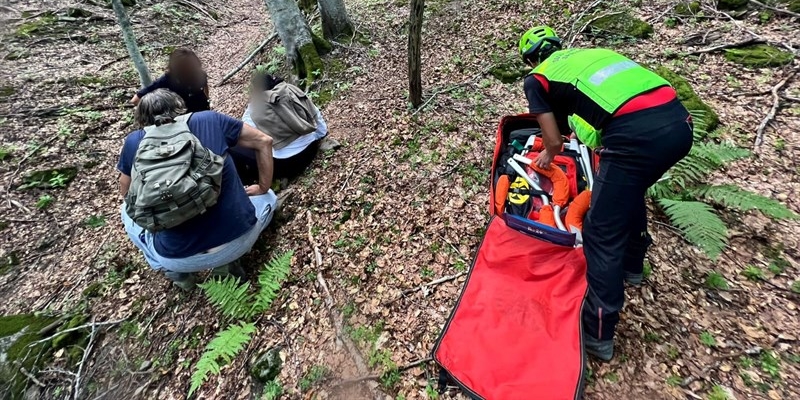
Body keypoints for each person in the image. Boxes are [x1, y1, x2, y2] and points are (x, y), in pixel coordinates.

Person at [517, 26, 693, 360]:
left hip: (636, 133)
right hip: (678, 122)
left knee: (600, 230)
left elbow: (553, 140)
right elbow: (592, 118)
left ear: (530, 59)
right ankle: (633, 267)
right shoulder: (585, 58)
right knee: (629, 191)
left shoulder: (536, 79)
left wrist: (547, 156)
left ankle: (598, 332)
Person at [117, 89, 290, 290]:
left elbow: (126, 192)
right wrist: (262, 186)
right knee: (267, 197)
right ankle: (225, 265)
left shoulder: (133, 142)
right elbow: (264, 141)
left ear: (142, 119)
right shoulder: (209, 120)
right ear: (179, 107)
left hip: (175, 256)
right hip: (236, 243)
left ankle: (175, 272)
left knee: (125, 212)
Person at [229, 73, 338, 185]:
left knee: (233, 147)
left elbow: (245, 135)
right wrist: (321, 135)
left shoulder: (254, 110)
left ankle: (250, 184)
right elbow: (315, 113)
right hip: (311, 149)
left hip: (287, 165)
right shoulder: (291, 90)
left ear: (256, 91)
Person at [130, 48, 211, 113]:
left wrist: (207, 99)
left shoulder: (200, 74)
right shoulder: (166, 81)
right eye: (188, 67)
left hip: (203, 114)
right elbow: (136, 100)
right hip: (182, 123)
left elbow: (205, 88)